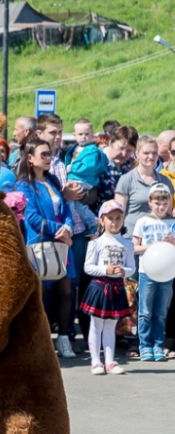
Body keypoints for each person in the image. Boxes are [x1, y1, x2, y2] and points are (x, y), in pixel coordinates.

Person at [15, 137, 76, 359]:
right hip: (40, 244)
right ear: (30, 158)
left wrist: (67, 229)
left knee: (67, 292)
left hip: (63, 244)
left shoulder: (52, 181)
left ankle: (63, 338)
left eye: (50, 154)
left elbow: (67, 209)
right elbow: (31, 218)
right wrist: (60, 230)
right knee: (40, 293)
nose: (49, 158)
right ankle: (38, 340)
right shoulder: (24, 186)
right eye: (44, 154)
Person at [81, 200, 135, 375]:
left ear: (123, 220)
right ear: (102, 221)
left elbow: (132, 268)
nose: (114, 222)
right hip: (100, 287)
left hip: (117, 287)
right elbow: (88, 267)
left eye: (118, 218)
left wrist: (122, 271)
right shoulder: (95, 243)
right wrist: (106, 269)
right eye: (110, 218)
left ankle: (110, 361)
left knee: (111, 326)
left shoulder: (127, 244)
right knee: (96, 325)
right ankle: (96, 362)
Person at [131, 183, 175, 362]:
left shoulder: (172, 223)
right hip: (146, 272)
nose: (161, 207)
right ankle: (145, 345)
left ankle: (158, 344)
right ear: (150, 202)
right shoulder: (142, 221)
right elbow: (133, 248)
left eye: (165, 203)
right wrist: (151, 246)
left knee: (161, 311)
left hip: (167, 274)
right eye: (157, 203)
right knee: (145, 311)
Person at [114, 136, 173, 240]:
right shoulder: (126, 179)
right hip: (131, 237)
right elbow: (118, 213)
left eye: (154, 153)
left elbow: (168, 213)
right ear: (137, 153)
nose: (151, 156)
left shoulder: (165, 181)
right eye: (146, 153)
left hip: (159, 238)